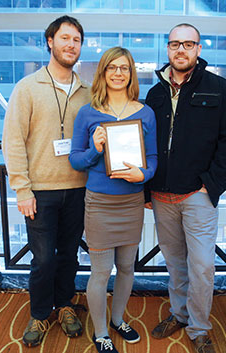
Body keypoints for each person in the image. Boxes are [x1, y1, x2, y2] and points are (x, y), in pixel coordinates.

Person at [145, 23, 226, 353]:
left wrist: (210, 185)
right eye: (174, 44)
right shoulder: (156, 91)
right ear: (168, 49)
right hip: (161, 195)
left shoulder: (220, 88)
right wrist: (147, 190)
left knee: (201, 266)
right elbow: (146, 142)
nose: (181, 50)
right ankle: (180, 313)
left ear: (199, 49)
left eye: (188, 44)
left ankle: (199, 328)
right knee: (175, 263)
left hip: (197, 195)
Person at [2, 16, 90, 347]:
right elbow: (12, 141)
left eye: (77, 40)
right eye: (65, 38)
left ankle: (65, 304)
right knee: (43, 259)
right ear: (50, 41)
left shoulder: (87, 91)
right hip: (40, 192)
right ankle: (39, 313)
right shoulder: (27, 87)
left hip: (78, 189)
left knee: (68, 254)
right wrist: (22, 189)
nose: (71, 45)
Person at [69, 46, 157, 353]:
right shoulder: (87, 113)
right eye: (112, 68)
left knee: (127, 268)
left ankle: (118, 319)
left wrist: (143, 176)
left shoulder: (145, 113)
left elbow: (154, 158)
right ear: (103, 72)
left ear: (131, 73)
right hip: (100, 204)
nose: (118, 73)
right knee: (101, 271)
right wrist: (94, 148)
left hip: (132, 202)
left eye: (125, 68)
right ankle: (102, 333)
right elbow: (76, 161)